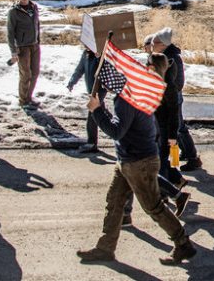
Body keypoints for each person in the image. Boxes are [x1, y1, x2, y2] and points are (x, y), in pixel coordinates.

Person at [76, 55, 196, 266]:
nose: (105, 81)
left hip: (138, 160)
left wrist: (97, 110)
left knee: (154, 207)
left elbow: (117, 131)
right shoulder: (134, 93)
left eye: (107, 77)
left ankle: (183, 244)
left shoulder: (127, 98)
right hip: (129, 158)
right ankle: (105, 248)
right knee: (114, 203)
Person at [151, 28, 201, 172]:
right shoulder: (163, 56)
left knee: (176, 129)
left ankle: (188, 160)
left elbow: (178, 82)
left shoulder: (172, 59)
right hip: (167, 98)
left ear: (163, 44)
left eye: (155, 42)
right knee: (175, 130)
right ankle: (179, 160)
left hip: (171, 98)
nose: (152, 44)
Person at [6, 0, 41, 109]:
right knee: (26, 74)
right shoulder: (14, 11)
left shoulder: (34, 7)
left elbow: (37, 25)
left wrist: (38, 41)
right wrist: (13, 51)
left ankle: (29, 96)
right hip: (23, 47)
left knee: (35, 72)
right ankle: (23, 100)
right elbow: (10, 33)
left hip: (35, 45)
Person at [67, 48, 103, 153]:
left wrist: (99, 57)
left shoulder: (100, 54)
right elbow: (80, 69)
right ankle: (126, 133)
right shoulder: (85, 54)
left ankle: (92, 143)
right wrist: (72, 81)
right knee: (103, 115)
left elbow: (106, 68)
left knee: (92, 115)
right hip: (91, 90)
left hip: (99, 90)